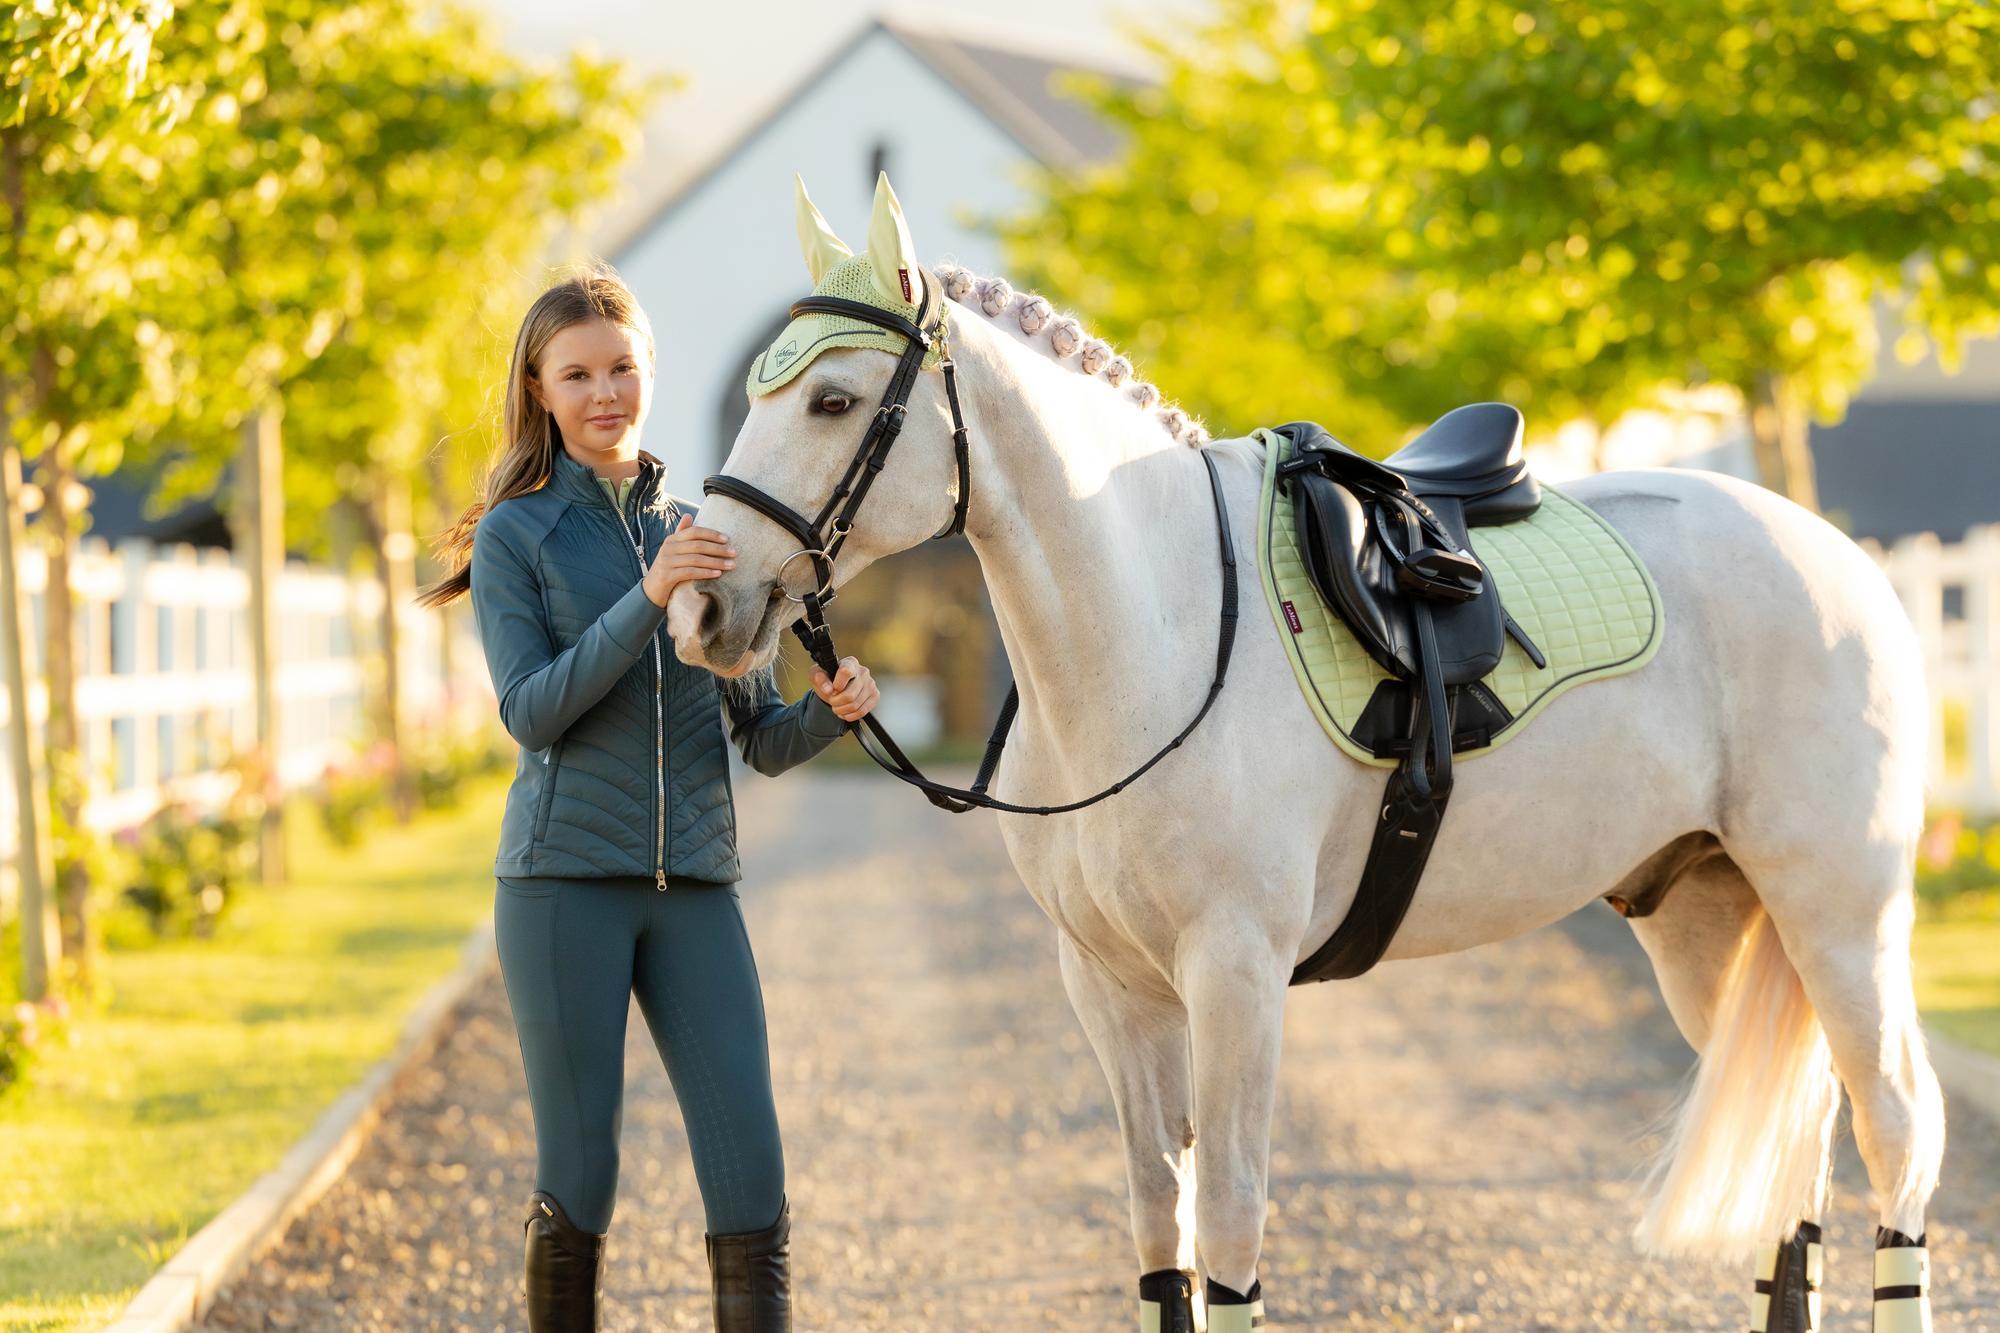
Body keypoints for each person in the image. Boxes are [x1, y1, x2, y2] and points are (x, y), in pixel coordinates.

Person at [417, 262, 878, 1332]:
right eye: (575, 374)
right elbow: (532, 710)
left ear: (650, 372)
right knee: (582, 1173)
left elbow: (757, 739)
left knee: (751, 1176)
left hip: (695, 892)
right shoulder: (516, 535)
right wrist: (646, 594)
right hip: (561, 887)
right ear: (538, 389)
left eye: (622, 367)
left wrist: (831, 711)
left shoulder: (704, 526)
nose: (603, 392)